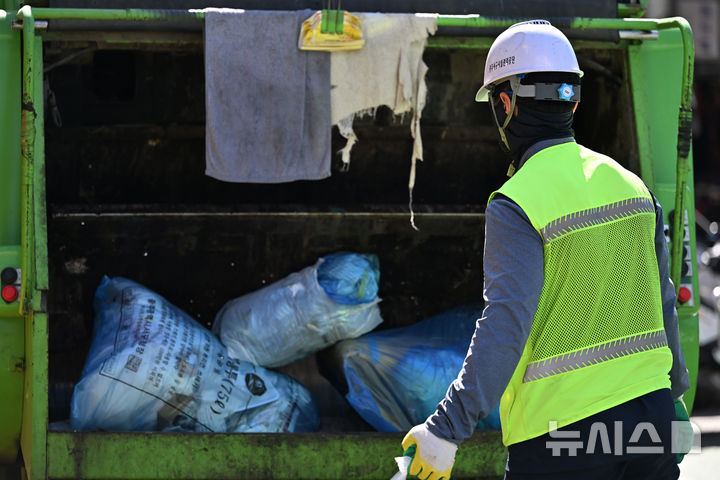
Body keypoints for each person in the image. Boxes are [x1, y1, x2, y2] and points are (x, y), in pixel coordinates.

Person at [399, 20, 690, 480]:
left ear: (506, 105)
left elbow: (506, 322)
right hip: (650, 421)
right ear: (572, 98)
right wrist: (675, 400)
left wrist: (447, 429)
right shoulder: (633, 186)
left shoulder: (518, 201)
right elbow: (663, 302)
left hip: (564, 436)